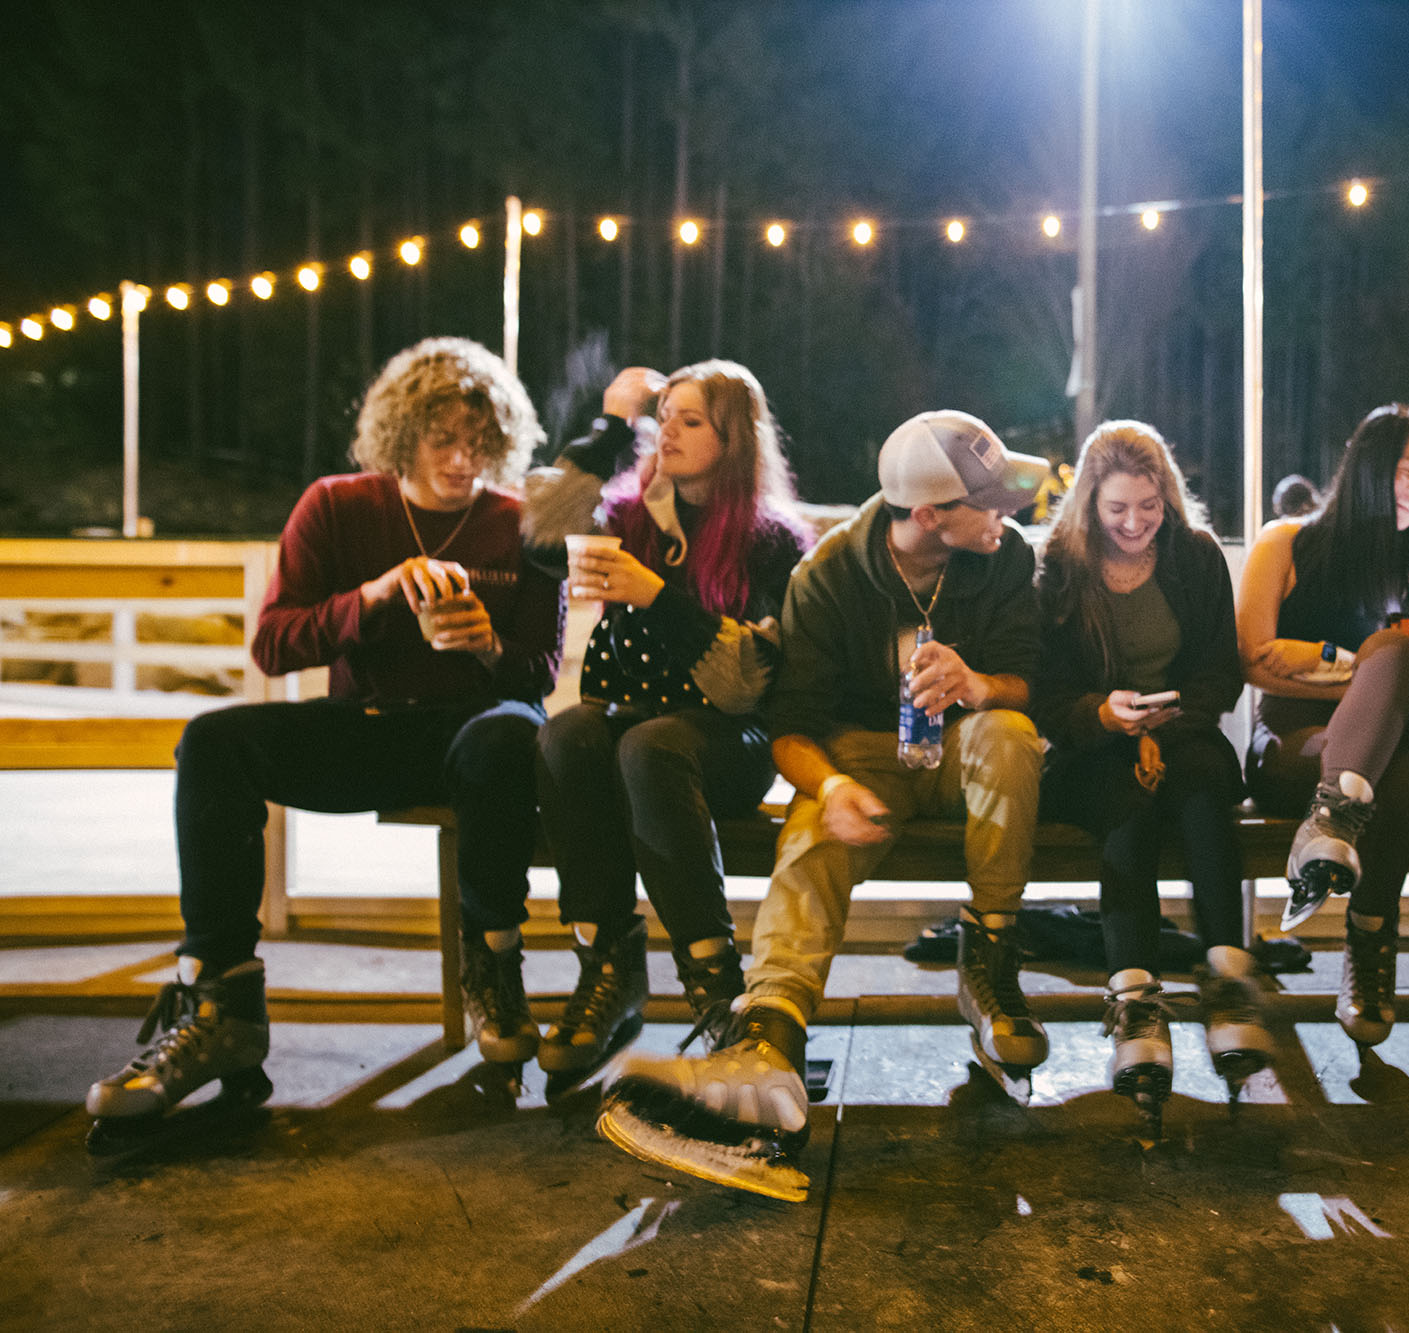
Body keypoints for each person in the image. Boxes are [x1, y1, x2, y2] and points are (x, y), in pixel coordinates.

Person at [85, 337, 561, 1141]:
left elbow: (539, 673)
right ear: (401, 435)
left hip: (474, 733)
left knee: (506, 735)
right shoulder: (339, 505)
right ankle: (221, 1001)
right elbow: (274, 644)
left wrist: (485, 644)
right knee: (212, 740)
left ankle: (495, 965)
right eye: (443, 439)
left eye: (480, 442)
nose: (461, 458)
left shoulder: (520, 524)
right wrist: (372, 597)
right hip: (365, 729)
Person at [601, 409, 1050, 1196]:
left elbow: (1026, 684)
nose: (1009, 510)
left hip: (968, 741)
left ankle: (990, 955)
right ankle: (768, 1042)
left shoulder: (1003, 559)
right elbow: (792, 731)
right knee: (812, 831)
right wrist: (835, 786)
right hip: (867, 752)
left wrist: (979, 683)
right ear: (929, 515)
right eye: (991, 498)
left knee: (1010, 732)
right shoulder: (830, 575)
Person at [522, 361, 809, 1077]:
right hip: (634, 724)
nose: (669, 432)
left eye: (692, 420)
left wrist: (657, 596)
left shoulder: (772, 538)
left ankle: (718, 994)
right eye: (665, 417)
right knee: (567, 731)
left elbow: (751, 683)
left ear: (734, 437)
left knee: (650, 746)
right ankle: (607, 965)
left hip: (728, 740)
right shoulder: (626, 516)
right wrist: (611, 427)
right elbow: (535, 539)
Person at [1037, 421, 1274, 1123]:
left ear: (1166, 499)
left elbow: (1218, 670)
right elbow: (1047, 692)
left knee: (1203, 790)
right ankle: (1135, 999)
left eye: (1149, 506)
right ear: (1090, 505)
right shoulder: (1059, 564)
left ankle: (1227, 976)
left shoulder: (1195, 556)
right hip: (1092, 745)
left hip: (1184, 729)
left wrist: (1164, 728)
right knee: (1126, 804)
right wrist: (1103, 716)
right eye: (1118, 509)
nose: (1135, 522)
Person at [1237, 404, 1409, 1053]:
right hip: (1294, 746)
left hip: (1377, 767)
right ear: (1369, 467)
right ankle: (1373, 937)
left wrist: (1324, 660)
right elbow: (1252, 657)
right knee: (1395, 667)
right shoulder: (1288, 541)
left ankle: (1341, 837)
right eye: (1407, 471)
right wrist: (1361, 669)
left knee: (1402, 712)